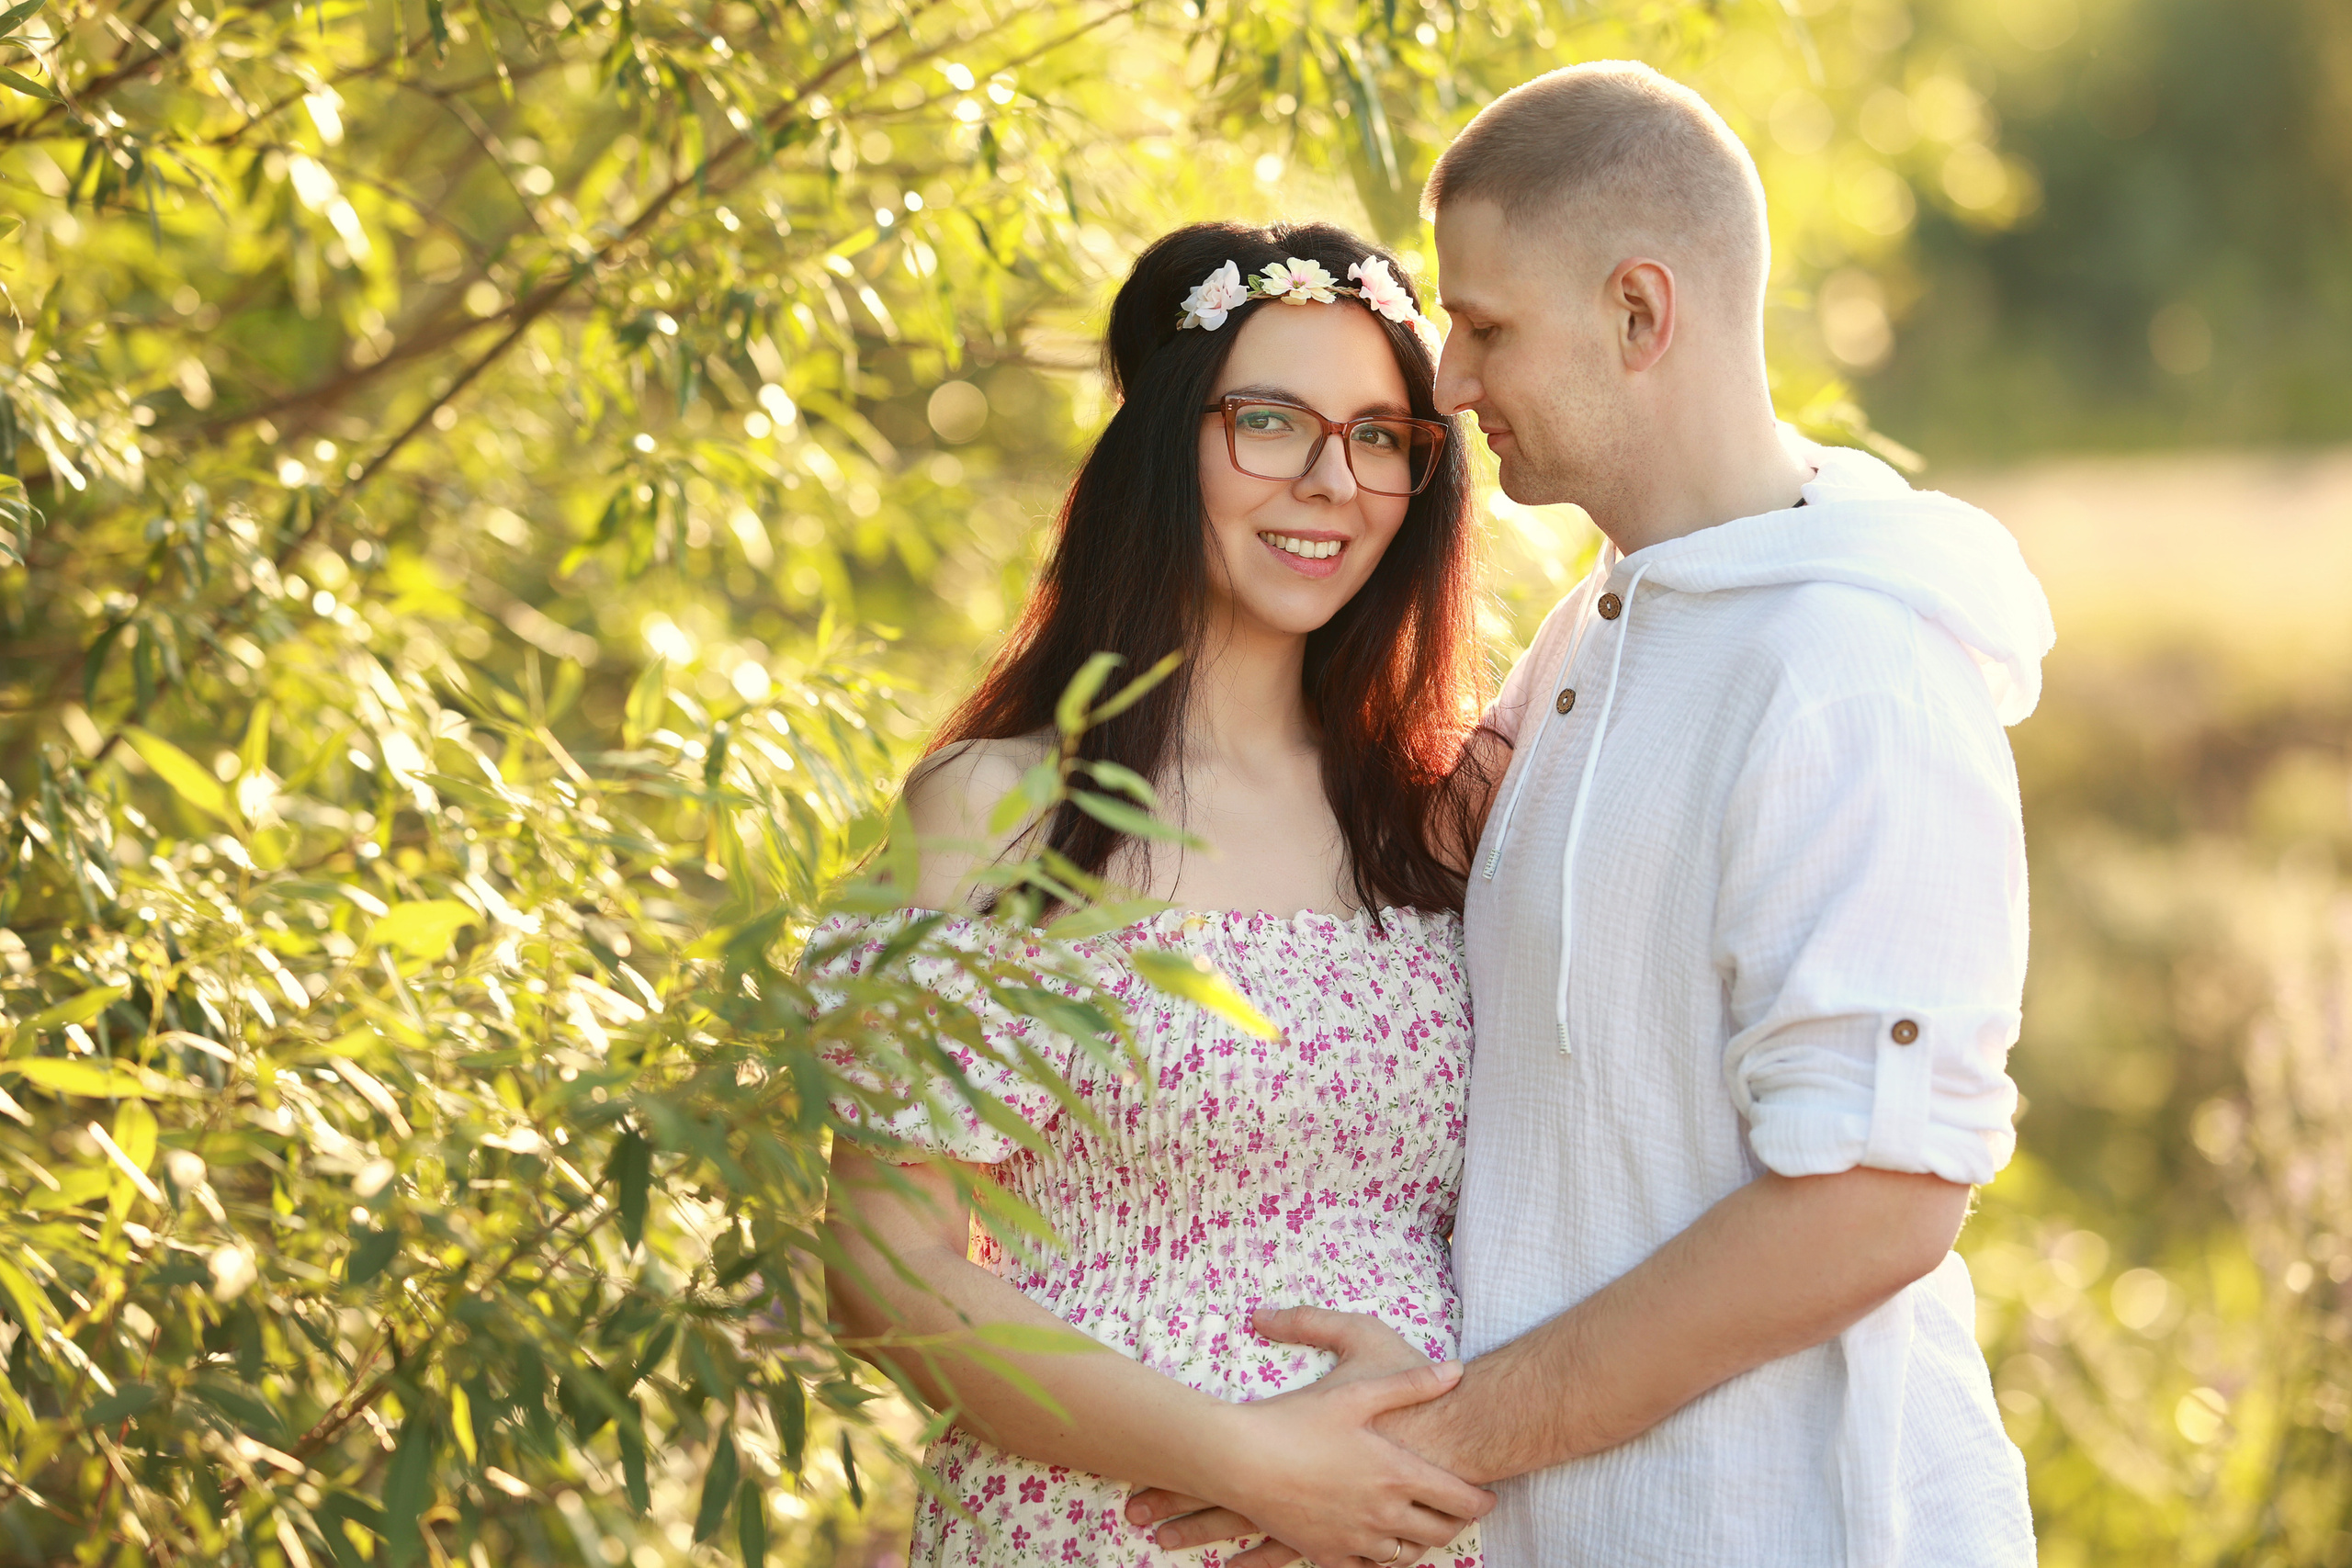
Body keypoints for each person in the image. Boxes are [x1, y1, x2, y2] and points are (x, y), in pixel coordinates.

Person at [1131, 62, 2052, 1568]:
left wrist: (1423, 1447)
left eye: (1485, 326)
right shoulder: (1599, 634)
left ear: (1640, 312)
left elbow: (1875, 1205)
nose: (1448, 388)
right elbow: (1348, 882)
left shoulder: (1854, 673)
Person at [815, 220, 1503, 1568]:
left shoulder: (1444, 820)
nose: (1330, 481)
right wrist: (1249, 1461)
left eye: (1379, 437)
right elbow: (884, 1271)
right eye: (1270, 421)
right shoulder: (997, 810)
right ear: (1167, 446)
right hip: (1090, 1532)